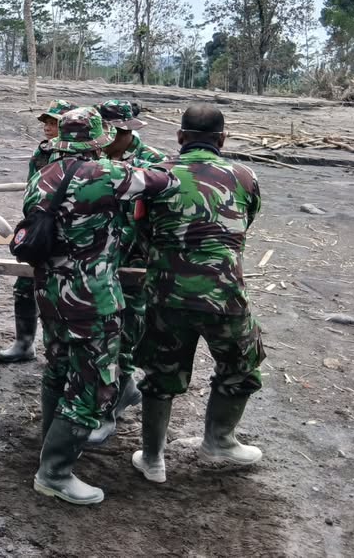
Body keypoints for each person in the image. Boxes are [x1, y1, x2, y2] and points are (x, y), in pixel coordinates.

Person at [23, 107, 178, 505]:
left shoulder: (44, 175)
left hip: (50, 294)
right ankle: (54, 472)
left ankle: (47, 447)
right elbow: (165, 182)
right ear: (100, 139)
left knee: (57, 368)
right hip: (92, 297)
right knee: (95, 384)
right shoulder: (107, 174)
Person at [131, 104, 266, 484]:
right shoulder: (244, 176)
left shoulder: (155, 175)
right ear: (223, 139)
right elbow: (243, 225)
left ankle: (154, 458)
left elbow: (141, 230)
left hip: (165, 295)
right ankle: (219, 440)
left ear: (179, 137)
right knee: (240, 368)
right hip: (225, 296)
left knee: (160, 376)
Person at [87, 99, 169, 444]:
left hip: (134, 264)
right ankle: (120, 392)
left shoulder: (153, 163)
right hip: (98, 262)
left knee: (123, 339)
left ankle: (108, 412)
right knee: (98, 338)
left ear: (121, 130)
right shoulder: (93, 156)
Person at [0, 99, 77, 363]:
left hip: (71, 234)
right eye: (47, 122)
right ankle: (24, 343)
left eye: (55, 122)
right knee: (24, 284)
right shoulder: (41, 153)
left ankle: (68, 352)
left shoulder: (84, 155)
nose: (48, 127)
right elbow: (32, 190)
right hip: (42, 228)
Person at [99, 99, 166, 167]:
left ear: (126, 131)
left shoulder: (154, 159)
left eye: (104, 132)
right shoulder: (96, 153)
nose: (97, 138)